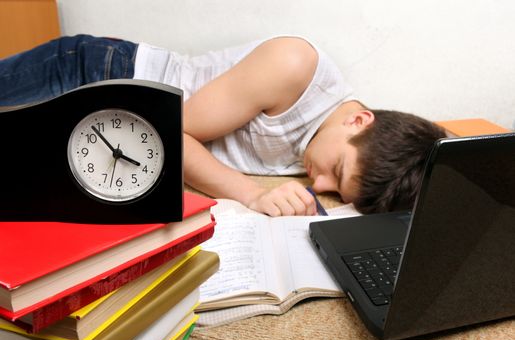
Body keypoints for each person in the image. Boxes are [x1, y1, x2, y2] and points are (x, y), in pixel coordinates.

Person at [0, 34, 446, 216]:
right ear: (358, 120)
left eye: (336, 189)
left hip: (107, 132)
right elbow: (169, 133)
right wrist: (251, 193)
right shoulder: (294, 67)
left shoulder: (333, 140)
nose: (321, 183)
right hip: (97, 75)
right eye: (339, 170)